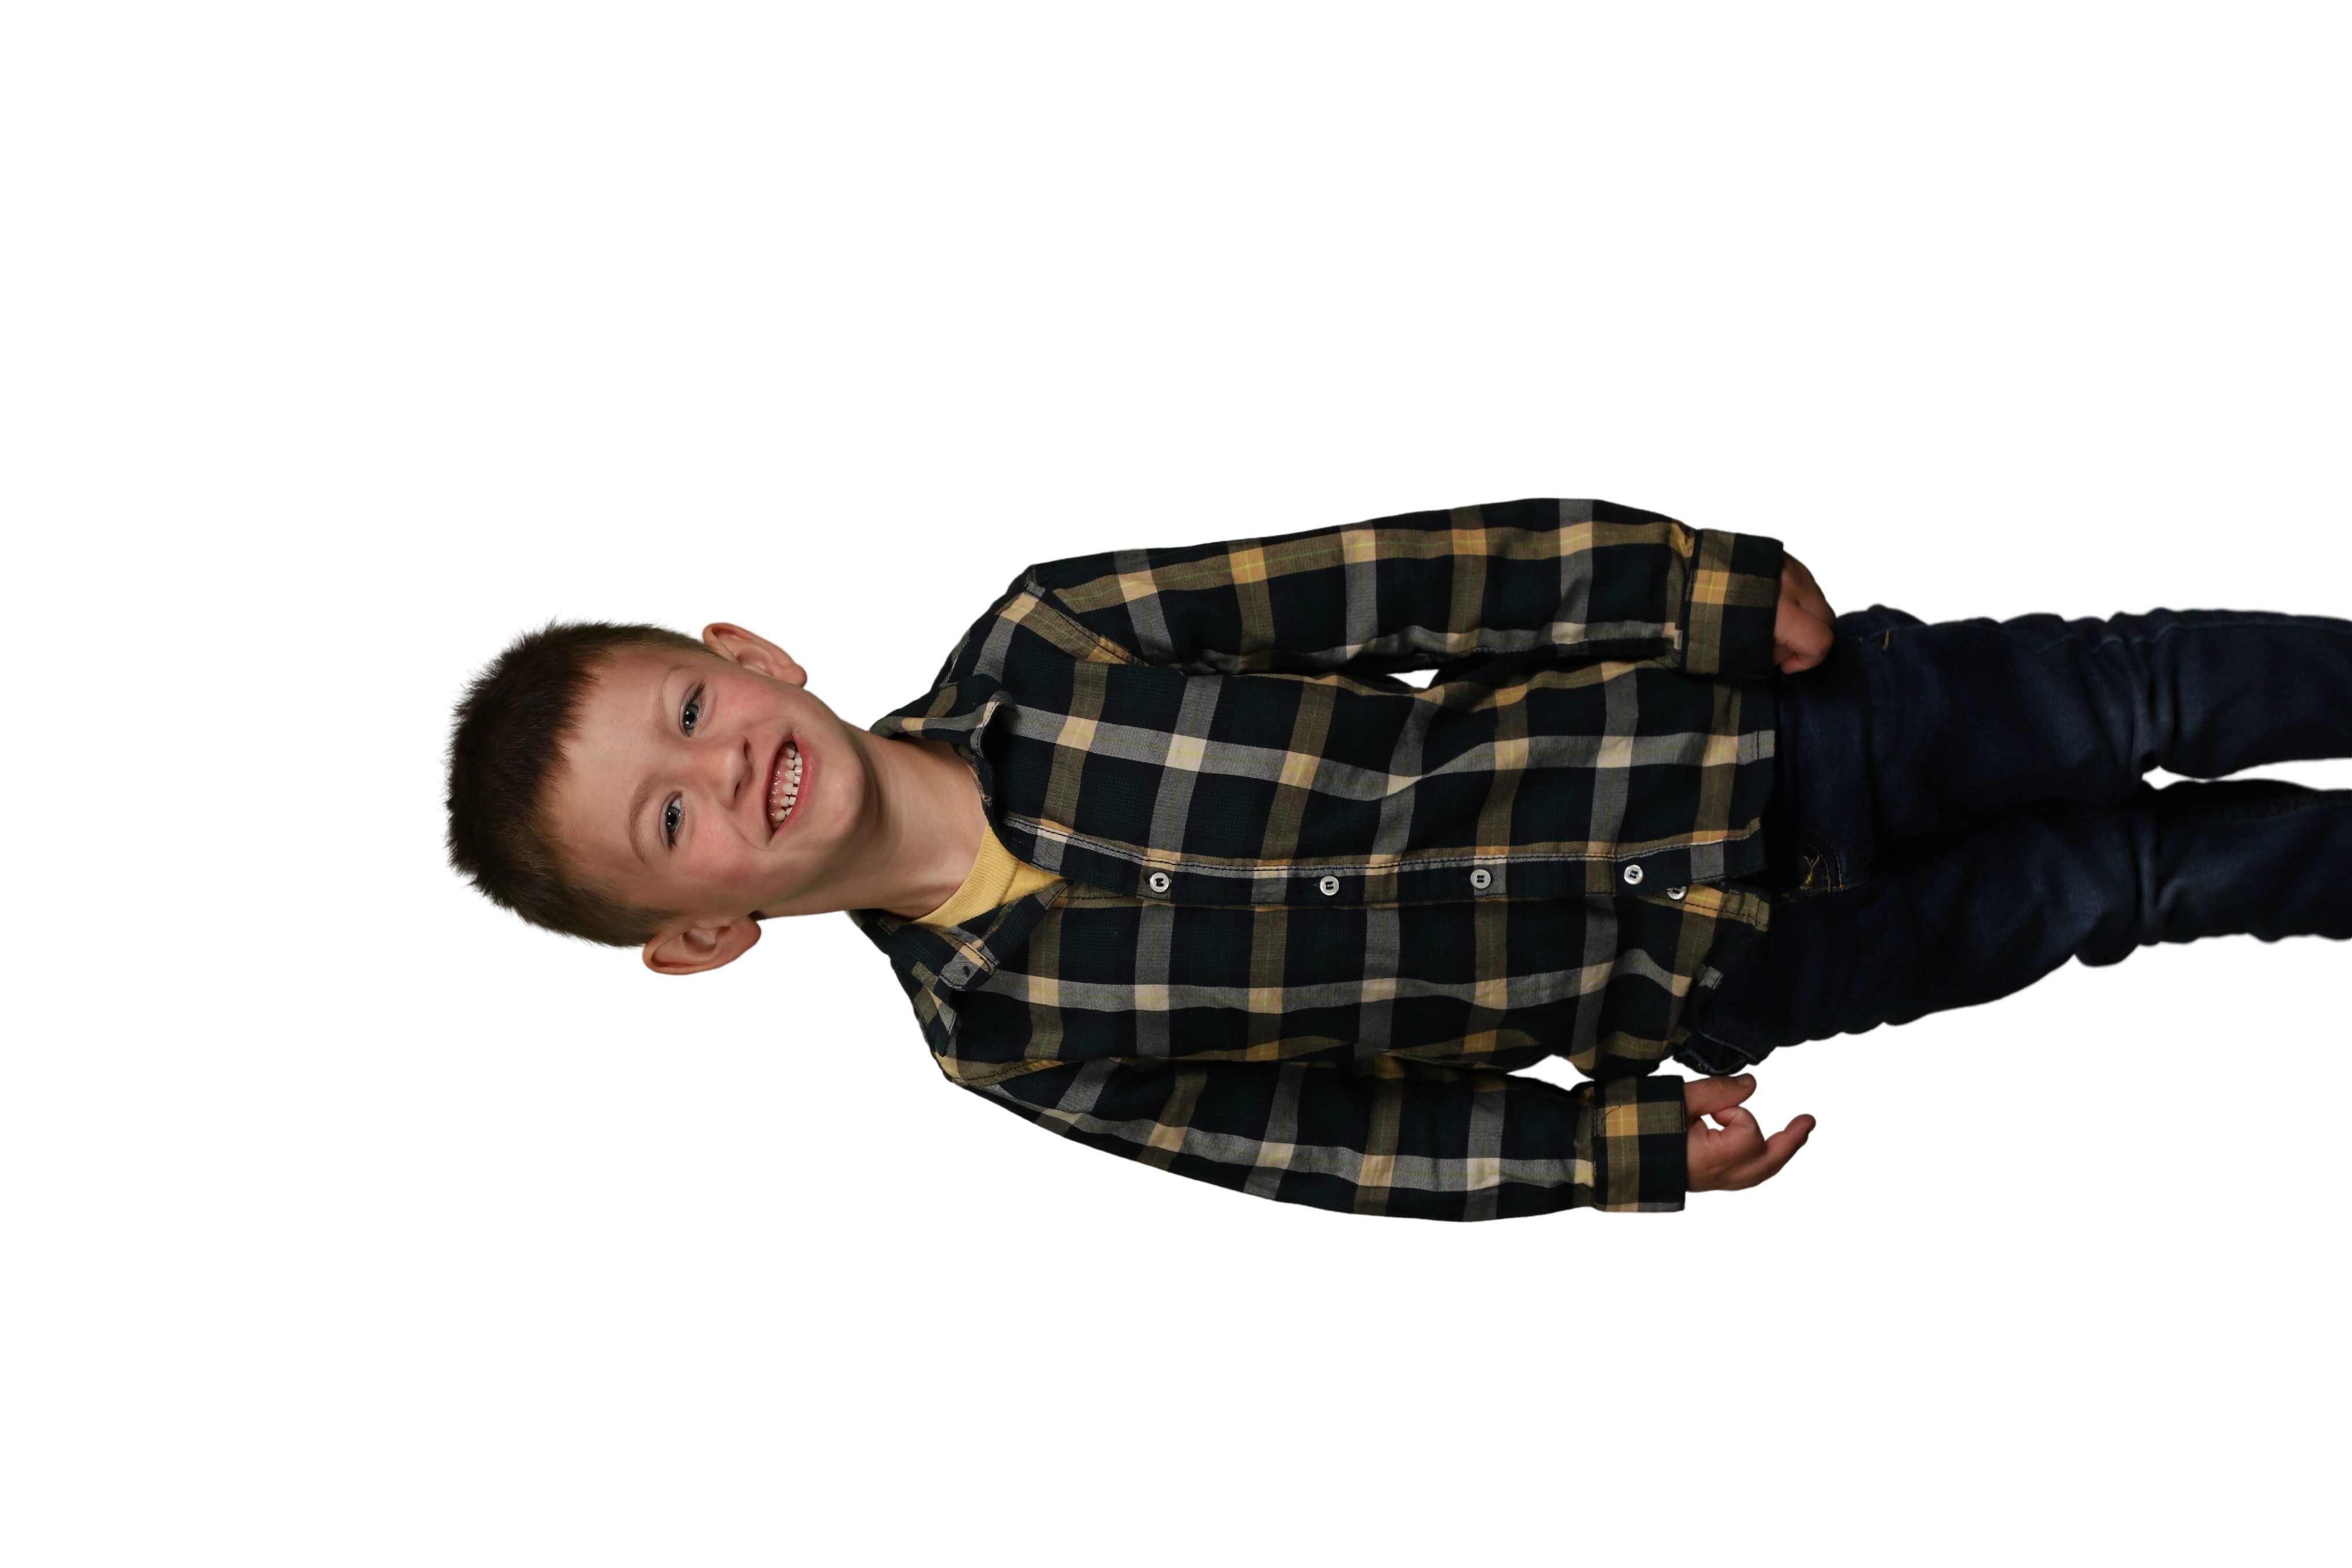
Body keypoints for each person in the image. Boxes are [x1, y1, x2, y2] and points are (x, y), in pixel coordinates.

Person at [436, 496, 2352, 1220]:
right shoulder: (1006, 1043)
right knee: (2142, 890)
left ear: (743, 653)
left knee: (2148, 695)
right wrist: (1611, 1154)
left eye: (686, 708)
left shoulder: (1053, 635)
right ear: (698, 938)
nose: (724, 769)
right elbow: (1338, 1146)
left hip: (1772, 727)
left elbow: (1404, 582)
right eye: (668, 821)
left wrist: (1680, 581)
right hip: (1746, 972)